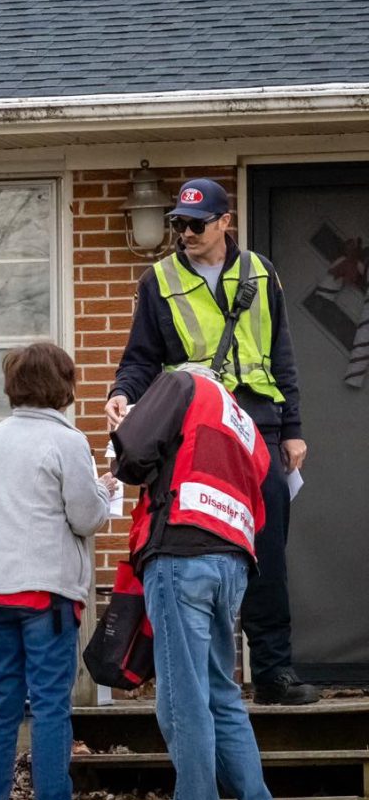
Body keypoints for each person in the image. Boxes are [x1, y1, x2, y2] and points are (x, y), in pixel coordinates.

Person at [105, 177, 317, 706]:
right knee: (197, 540)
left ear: (226, 222)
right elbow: (140, 357)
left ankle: (273, 671)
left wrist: (292, 430)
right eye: (178, 223)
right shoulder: (159, 279)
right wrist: (120, 392)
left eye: (197, 224)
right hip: (196, 427)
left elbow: (281, 356)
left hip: (260, 422)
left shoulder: (261, 273)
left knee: (266, 547)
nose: (185, 233)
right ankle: (203, 674)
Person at [0, 343, 113, 800]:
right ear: (62, 386)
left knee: (1, 706)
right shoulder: (66, 442)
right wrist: (104, 493)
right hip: (43, 590)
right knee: (49, 707)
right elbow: (85, 517)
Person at [113, 365, 273, 800]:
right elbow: (260, 492)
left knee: (182, 700)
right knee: (222, 694)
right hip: (233, 559)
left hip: (181, 552)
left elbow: (133, 454)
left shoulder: (180, 383)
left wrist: (126, 431)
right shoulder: (243, 420)